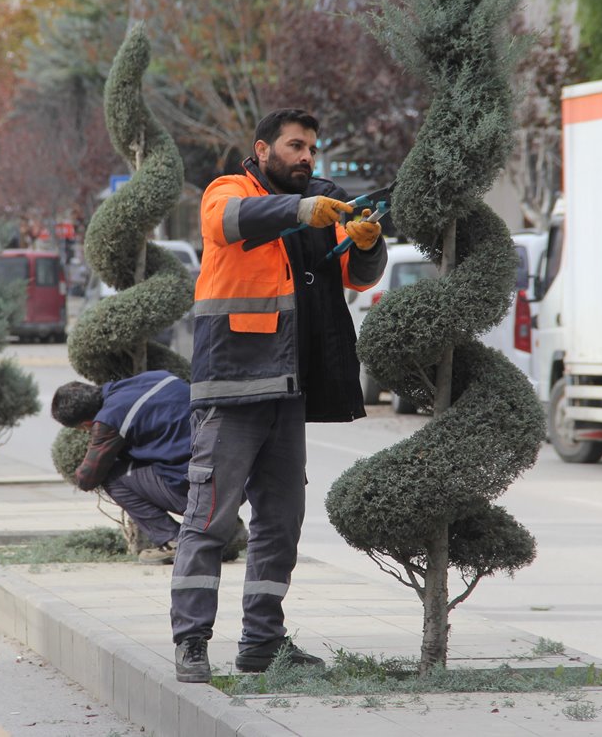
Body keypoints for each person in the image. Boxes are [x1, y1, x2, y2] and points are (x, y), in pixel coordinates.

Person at [169, 108, 386, 682]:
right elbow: (227, 223)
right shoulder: (230, 190)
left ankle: (262, 644)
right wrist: (299, 208)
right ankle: (191, 642)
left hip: (287, 390)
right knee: (209, 520)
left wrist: (366, 241)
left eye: (312, 148)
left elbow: (359, 276)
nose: (307, 157)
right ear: (263, 150)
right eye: (295, 146)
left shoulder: (320, 206)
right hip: (233, 384)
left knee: (280, 522)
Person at [51, 372, 246, 565]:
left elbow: (88, 478)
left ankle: (176, 540)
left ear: (85, 424)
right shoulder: (156, 377)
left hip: (201, 487)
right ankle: (223, 526)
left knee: (112, 475)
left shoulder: (109, 420)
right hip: (239, 477)